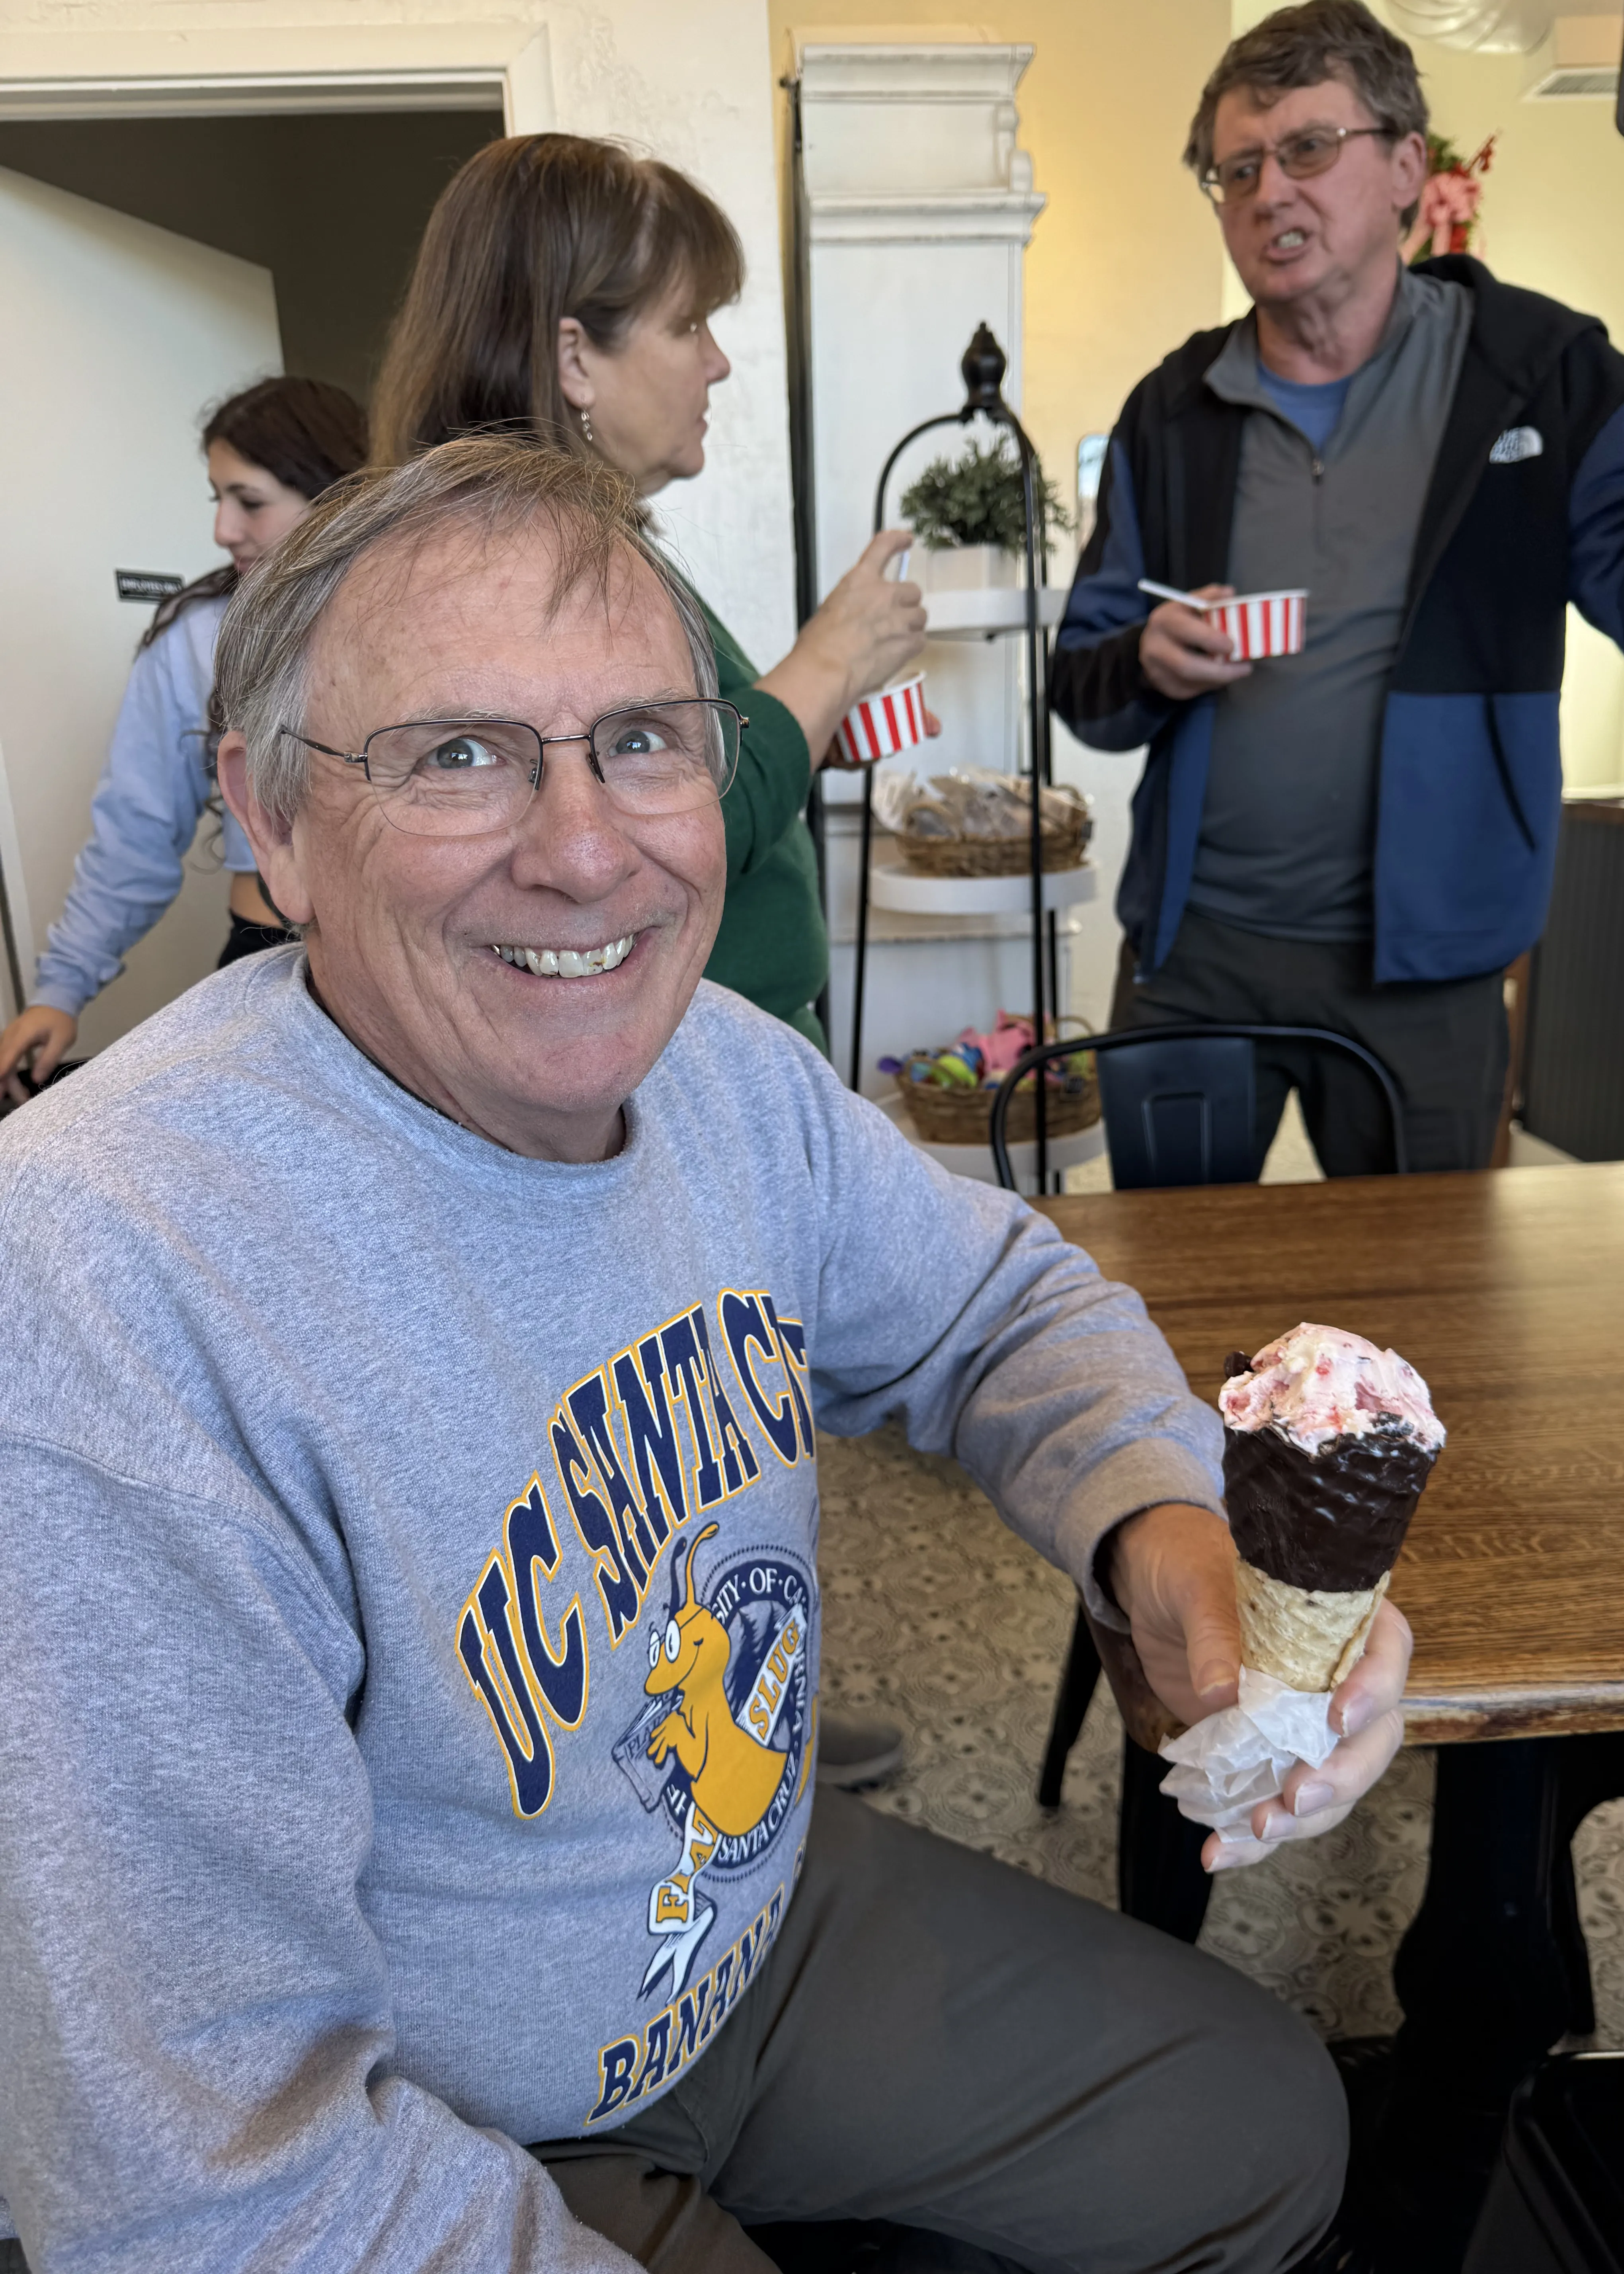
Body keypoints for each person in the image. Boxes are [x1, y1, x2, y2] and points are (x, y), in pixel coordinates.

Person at [0, 437, 1412, 2274]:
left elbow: (999, 1306)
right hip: (426, 2108)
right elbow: (199, 2178)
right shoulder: (107, 1282)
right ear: (272, 822)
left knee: (1263, 2128)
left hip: (744, 1920)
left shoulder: (732, 1075)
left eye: (644, 742)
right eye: (458, 754)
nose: (588, 852)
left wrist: (1163, 1530)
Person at [369, 132, 925, 1795]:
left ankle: (748, 1710)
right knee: (657, 1464)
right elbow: (630, 828)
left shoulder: (592, 552)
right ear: (572, 355)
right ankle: (682, 1774)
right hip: (632, 1094)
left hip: (702, 1080)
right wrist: (824, 665)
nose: (717, 362)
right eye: (687, 325)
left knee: (708, 1463)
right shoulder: (500, 565)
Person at [1052, 0, 1624, 1176]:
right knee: (1168, 1276)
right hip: (1195, 959)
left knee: (1423, 1285)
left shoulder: (1540, 376)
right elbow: (1083, 688)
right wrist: (1146, 660)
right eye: (1237, 169)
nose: (1268, 193)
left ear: (1407, 167)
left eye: (1308, 148)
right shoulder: (1171, 409)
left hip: (1431, 970)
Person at [0, 376, 368, 1106]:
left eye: (249, 502)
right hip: (265, 956)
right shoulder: (195, 637)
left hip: (407, 954)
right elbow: (135, 830)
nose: (223, 530)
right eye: (217, 499)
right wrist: (61, 989)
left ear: (332, 496)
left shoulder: (422, 619)